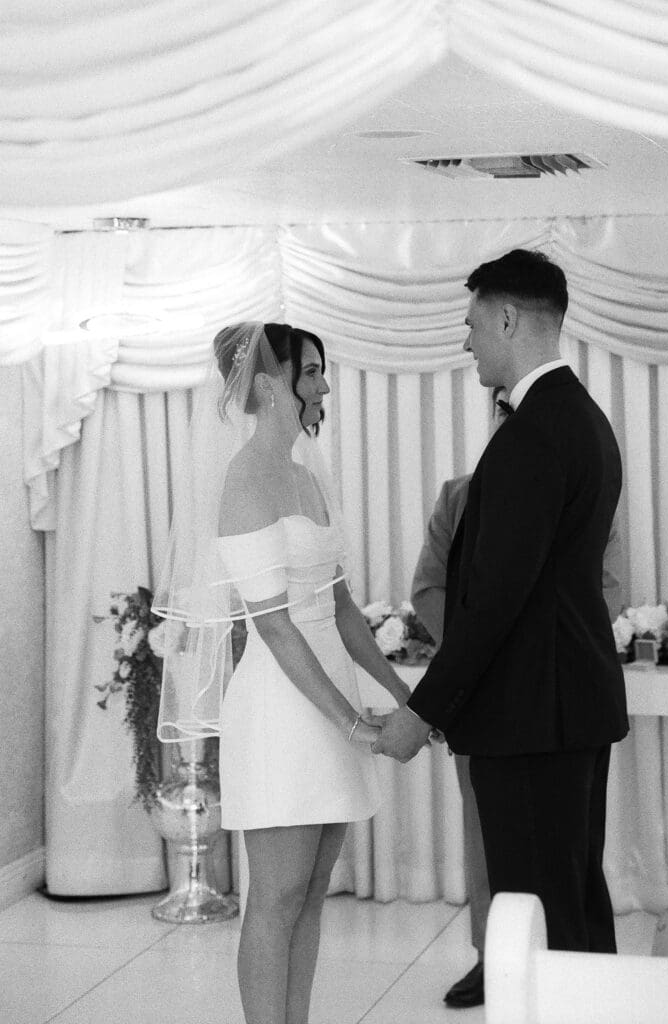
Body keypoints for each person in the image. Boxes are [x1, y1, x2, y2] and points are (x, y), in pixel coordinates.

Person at [153, 321, 411, 1024]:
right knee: (275, 896)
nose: (324, 386)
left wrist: (404, 697)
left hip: (331, 694)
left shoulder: (305, 475)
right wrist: (354, 725)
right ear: (268, 386)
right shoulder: (244, 480)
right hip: (281, 710)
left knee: (312, 889)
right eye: (311, 372)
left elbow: (342, 608)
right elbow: (273, 625)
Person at [372, 249, 629, 956]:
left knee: (538, 923)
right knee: (571, 905)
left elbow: (493, 601)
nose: (467, 342)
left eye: (472, 324)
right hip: (563, 709)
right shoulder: (582, 418)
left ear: (509, 319)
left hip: (530, 719)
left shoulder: (533, 433)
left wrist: (421, 712)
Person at [411, 387, 624, 1008]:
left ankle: (564, 988)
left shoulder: (575, 469)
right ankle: (495, 956)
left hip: (548, 694)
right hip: (479, 695)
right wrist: (472, 659)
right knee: (487, 838)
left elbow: (603, 588)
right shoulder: (458, 494)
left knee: (561, 865)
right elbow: (430, 587)